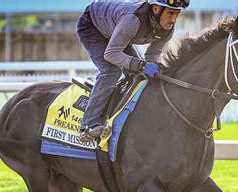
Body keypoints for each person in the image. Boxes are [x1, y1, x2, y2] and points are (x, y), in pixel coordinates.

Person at [77, 0, 190, 142]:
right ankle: (88, 126)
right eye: (170, 13)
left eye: (177, 14)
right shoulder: (133, 20)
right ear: (156, 9)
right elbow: (111, 54)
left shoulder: (168, 29)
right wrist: (142, 66)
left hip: (115, 28)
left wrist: (156, 68)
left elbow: (152, 55)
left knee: (139, 75)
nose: (173, 20)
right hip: (92, 25)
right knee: (111, 71)